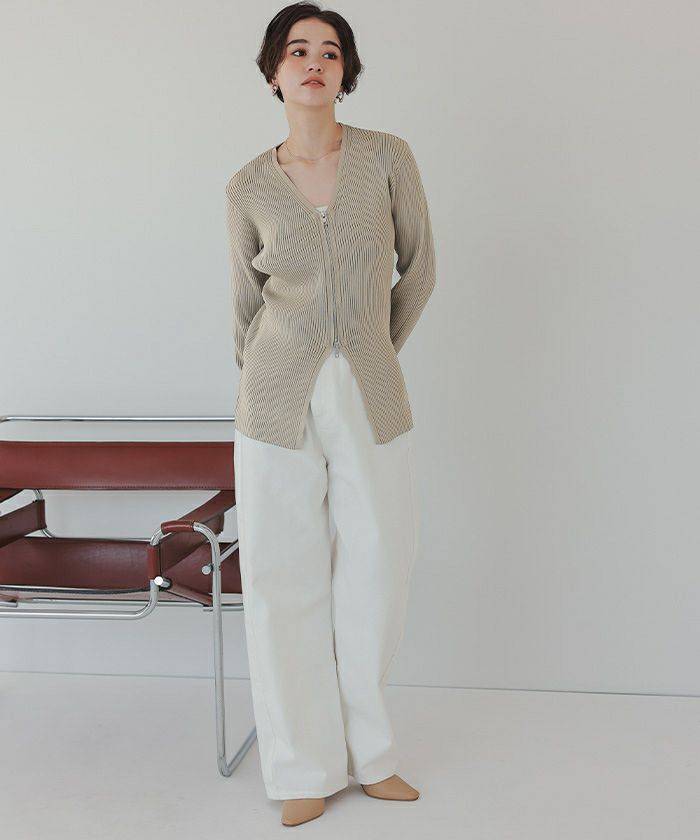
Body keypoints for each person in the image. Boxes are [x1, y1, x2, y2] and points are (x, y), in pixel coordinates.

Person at [225, 2, 436, 827]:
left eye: (330, 51)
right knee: (281, 578)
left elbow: (419, 270)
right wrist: (276, 378)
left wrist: (367, 353)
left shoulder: (387, 158)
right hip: (274, 397)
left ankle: (373, 756)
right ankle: (301, 767)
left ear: (346, 73)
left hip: (371, 393)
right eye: (297, 50)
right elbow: (245, 308)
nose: (314, 62)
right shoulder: (246, 186)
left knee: (379, 567)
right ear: (273, 71)